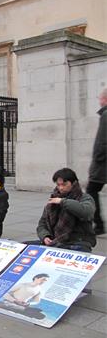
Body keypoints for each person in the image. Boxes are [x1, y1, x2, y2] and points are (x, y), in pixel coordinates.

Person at [31, 168, 96, 252]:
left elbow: (87, 212)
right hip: (55, 240)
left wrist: (63, 202)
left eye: (64, 184)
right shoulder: (54, 199)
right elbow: (42, 223)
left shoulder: (84, 198)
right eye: (58, 185)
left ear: (73, 183)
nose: (61, 188)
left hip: (77, 241)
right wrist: (45, 236)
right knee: (23, 248)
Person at [86, 88, 107, 235]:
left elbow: (102, 142)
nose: (99, 101)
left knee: (91, 190)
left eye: (100, 98)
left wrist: (96, 161)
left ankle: (98, 224)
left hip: (103, 163)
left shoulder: (105, 115)